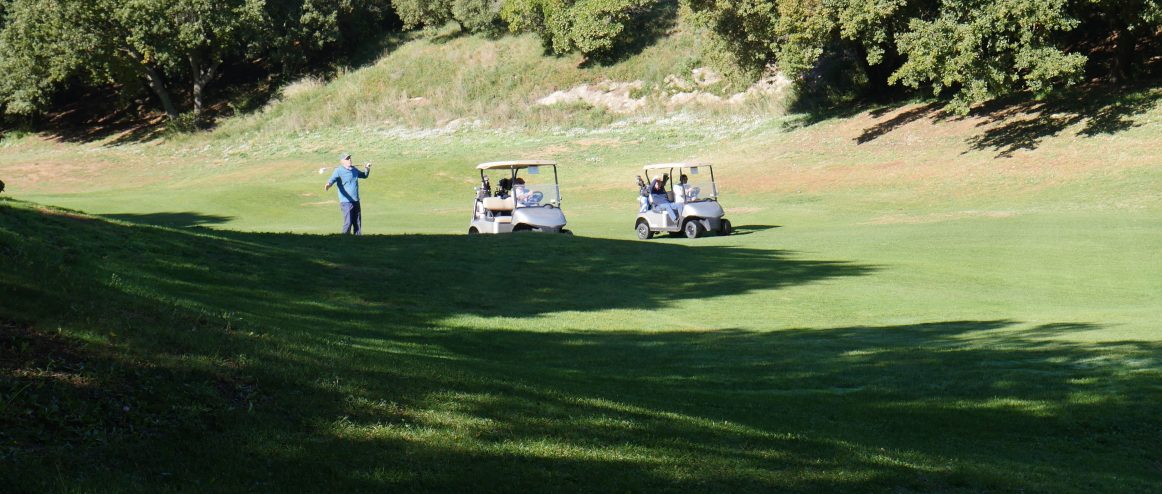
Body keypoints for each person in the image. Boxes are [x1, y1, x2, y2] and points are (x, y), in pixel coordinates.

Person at [324, 152, 371, 235]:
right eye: (347, 159)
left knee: (357, 223)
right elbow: (332, 180)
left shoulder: (354, 169)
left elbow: (364, 176)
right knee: (348, 222)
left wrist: (367, 168)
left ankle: (358, 241)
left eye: (350, 158)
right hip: (345, 202)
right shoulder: (338, 171)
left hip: (356, 200)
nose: (349, 160)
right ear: (342, 161)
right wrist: (328, 185)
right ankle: (344, 239)